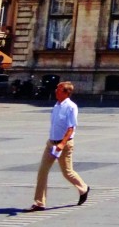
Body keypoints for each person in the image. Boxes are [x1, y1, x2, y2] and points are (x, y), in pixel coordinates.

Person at [25, 81, 89, 212]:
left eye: (58, 89)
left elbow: (71, 128)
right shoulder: (56, 105)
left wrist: (62, 144)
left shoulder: (71, 107)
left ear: (66, 92)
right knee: (42, 171)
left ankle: (83, 188)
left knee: (67, 172)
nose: (56, 91)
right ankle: (39, 203)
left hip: (64, 145)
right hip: (51, 143)